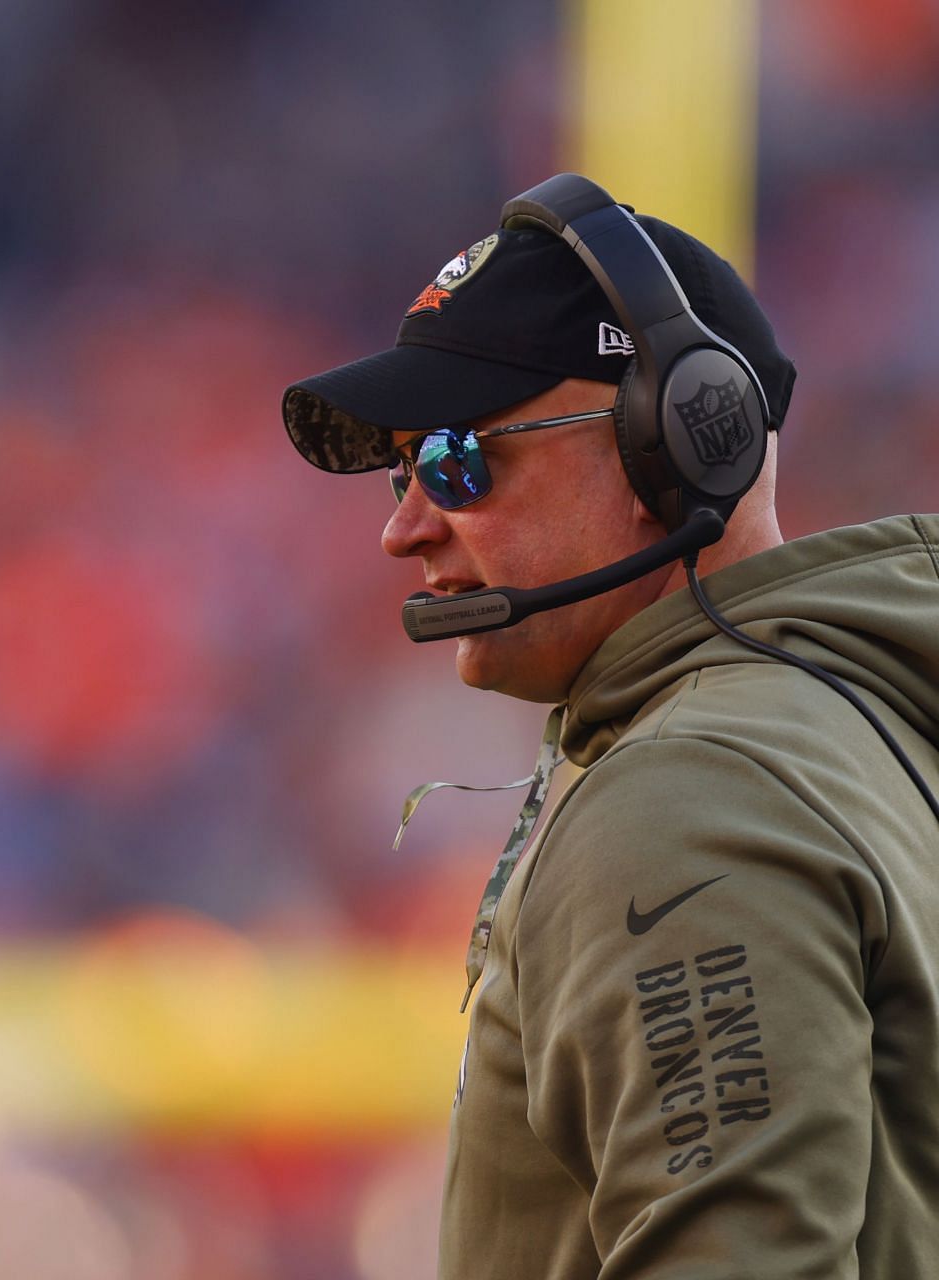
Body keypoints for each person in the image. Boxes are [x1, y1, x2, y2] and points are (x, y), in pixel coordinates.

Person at [281, 174, 939, 1278]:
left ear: (676, 440)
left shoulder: (693, 796)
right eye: (403, 470)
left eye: (456, 457)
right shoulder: (859, 722)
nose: (404, 527)